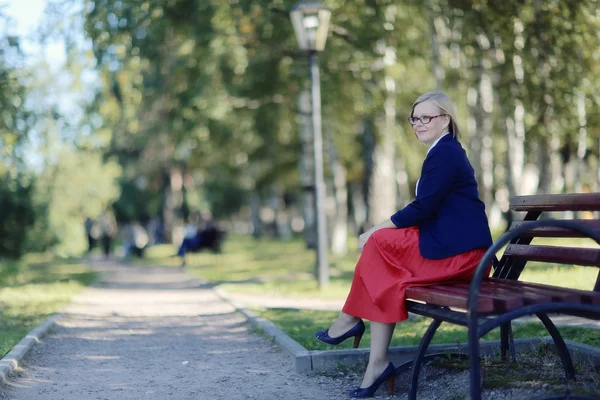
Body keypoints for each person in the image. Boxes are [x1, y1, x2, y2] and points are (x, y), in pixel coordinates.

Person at [315, 91, 493, 398]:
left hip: (463, 255)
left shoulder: (447, 152)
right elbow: (428, 209)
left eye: (427, 117)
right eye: (415, 118)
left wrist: (373, 230)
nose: (419, 124)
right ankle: (376, 363)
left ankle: (349, 320)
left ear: (445, 120)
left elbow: (422, 208)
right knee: (386, 275)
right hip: (448, 245)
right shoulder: (441, 150)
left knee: (379, 242)